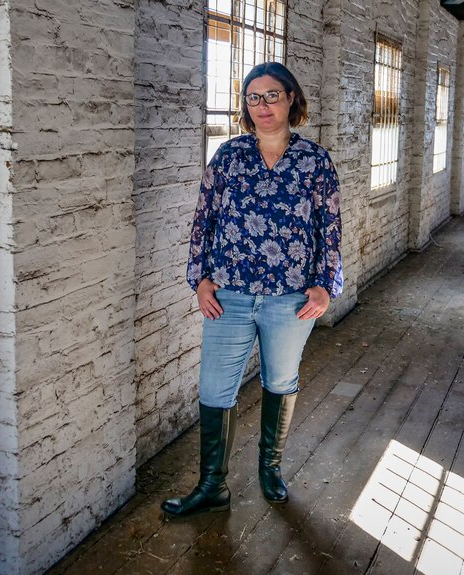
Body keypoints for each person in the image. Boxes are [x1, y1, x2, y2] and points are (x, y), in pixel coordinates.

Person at [161, 62, 343, 518]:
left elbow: (330, 228)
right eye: (253, 97)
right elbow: (203, 220)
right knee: (215, 388)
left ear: (291, 100)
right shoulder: (228, 156)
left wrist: (324, 286)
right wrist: (199, 279)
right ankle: (211, 486)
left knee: (280, 381)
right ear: (246, 106)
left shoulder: (314, 161)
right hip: (230, 296)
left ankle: (270, 470)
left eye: (272, 95)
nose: (262, 106)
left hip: (290, 299)